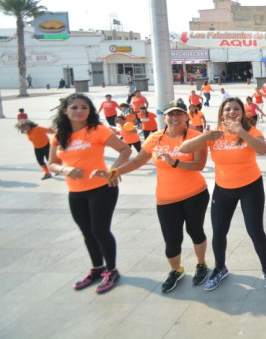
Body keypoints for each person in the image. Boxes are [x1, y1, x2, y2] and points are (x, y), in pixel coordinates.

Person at [91, 101, 210, 293]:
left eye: (179, 114)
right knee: (171, 240)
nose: (174, 118)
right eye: (171, 114)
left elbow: (198, 165)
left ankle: (201, 264)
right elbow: (138, 160)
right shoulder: (155, 138)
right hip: (165, 198)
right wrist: (113, 172)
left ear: (186, 117)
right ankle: (175, 270)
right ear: (164, 118)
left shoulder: (195, 137)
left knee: (195, 231)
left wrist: (174, 162)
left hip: (194, 194)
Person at [179, 97, 266, 291]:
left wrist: (241, 131)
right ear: (221, 113)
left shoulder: (251, 131)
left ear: (243, 113)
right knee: (219, 231)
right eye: (227, 110)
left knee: (255, 230)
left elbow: (263, 149)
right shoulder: (215, 134)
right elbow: (183, 149)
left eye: (236, 109)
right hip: (223, 189)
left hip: (251, 187)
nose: (232, 112)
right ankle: (220, 268)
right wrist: (204, 137)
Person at [47, 94, 132, 293]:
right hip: (75, 192)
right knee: (87, 233)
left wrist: (113, 170)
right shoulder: (59, 135)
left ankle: (112, 270)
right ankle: (97, 268)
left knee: (100, 231)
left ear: (90, 111)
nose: (79, 111)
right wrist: (65, 170)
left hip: (102, 189)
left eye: (84, 107)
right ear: (65, 110)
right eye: (74, 107)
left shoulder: (97, 130)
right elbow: (52, 164)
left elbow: (125, 150)